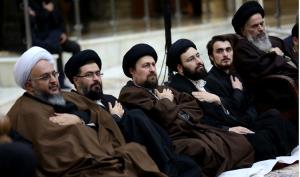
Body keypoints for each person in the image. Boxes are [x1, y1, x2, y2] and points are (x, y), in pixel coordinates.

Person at [6, 46, 166, 177]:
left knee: (136, 149)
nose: (54, 81)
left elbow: (91, 111)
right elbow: (50, 150)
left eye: (54, 74)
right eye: (45, 77)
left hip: (101, 156)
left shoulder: (58, 97)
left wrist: (80, 119)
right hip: (83, 167)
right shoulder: (23, 112)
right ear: (29, 86)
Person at [118, 43, 255, 177]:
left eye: (153, 64)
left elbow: (193, 106)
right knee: (200, 148)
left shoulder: (160, 89)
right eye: (146, 66)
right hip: (172, 140)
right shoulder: (130, 94)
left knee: (240, 142)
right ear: (132, 71)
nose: (152, 69)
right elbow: (160, 119)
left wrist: (171, 109)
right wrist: (166, 101)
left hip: (191, 130)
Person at [64, 49, 203, 177]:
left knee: (191, 164)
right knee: (136, 115)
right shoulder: (72, 102)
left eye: (98, 73)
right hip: (112, 151)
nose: (96, 78)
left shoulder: (110, 99)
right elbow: (86, 127)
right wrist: (114, 118)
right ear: (76, 80)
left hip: (144, 146)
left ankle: (169, 162)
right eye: (89, 75)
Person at [165, 37, 298, 161]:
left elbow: (244, 102)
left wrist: (220, 100)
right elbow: (198, 120)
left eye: (198, 56)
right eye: (191, 59)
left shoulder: (200, 78)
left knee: (274, 117)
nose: (199, 61)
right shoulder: (181, 89)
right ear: (180, 68)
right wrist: (228, 129)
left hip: (236, 121)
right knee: (262, 138)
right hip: (221, 132)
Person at [231, 1, 298, 86]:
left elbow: (293, 56)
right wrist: (276, 55)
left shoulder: (274, 40)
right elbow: (259, 69)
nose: (261, 28)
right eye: (255, 26)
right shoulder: (242, 48)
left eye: (262, 24)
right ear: (242, 30)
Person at [28, 0, 81, 88]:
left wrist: (63, 33)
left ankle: (76, 75)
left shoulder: (53, 3)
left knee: (75, 47)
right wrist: (47, 11)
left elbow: (60, 20)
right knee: (58, 49)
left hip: (56, 36)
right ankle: (61, 80)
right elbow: (37, 22)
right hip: (43, 40)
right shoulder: (31, 3)